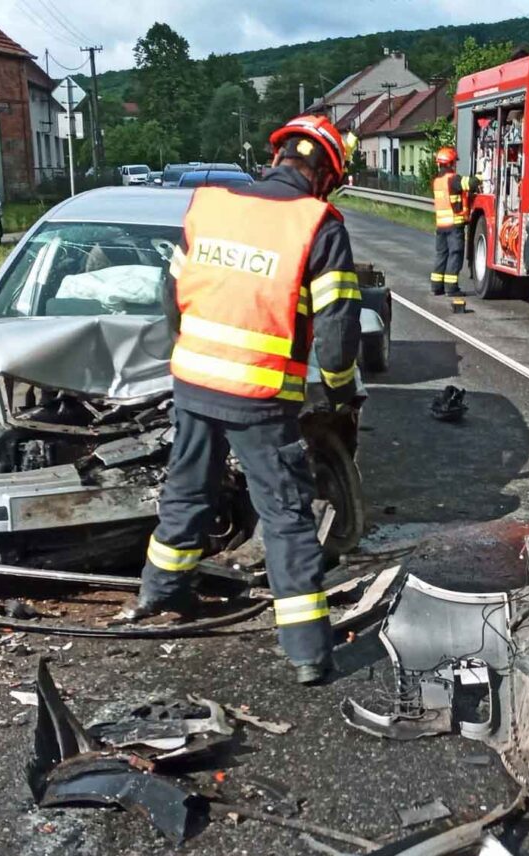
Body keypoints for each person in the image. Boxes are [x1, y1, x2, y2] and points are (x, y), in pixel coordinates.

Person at [117, 115, 362, 686]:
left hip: (195, 381)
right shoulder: (317, 224)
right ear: (325, 173)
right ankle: (306, 650)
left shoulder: (211, 207)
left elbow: (171, 296)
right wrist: (343, 389)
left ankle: (159, 592)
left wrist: (193, 349)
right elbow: (337, 331)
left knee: (186, 488)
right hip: (261, 396)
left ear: (277, 158)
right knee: (284, 514)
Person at [430, 147, 476, 296]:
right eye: (453, 163)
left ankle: (437, 287)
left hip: (441, 226)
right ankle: (451, 288)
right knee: (455, 254)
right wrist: (481, 177)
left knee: (441, 255)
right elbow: (470, 183)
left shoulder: (437, 181)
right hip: (454, 225)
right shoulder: (453, 179)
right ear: (450, 163)